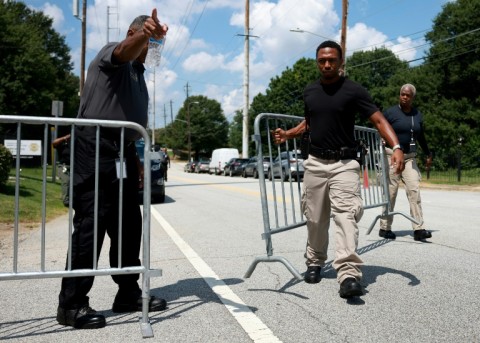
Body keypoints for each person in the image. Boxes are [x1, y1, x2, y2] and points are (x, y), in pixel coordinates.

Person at [56, 10, 169, 330]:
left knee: (128, 223)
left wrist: (134, 155)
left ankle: (127, 292)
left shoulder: (138, 70)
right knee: (92, 222)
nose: (151, 49)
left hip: (122, 151)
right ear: (135, 33)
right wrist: (144, 36)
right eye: (148, 41)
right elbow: (124, 50)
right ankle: (71, 303)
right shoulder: (112, 52)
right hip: (94, 147)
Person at [273, 40, 405, 299]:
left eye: (332, 59)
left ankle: (348, 273)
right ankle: (314, 260)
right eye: (322, 60)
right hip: (315, 163)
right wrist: (289, 134)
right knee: (315, 217)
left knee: (346, 215)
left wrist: (397, 146)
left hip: (345, 164)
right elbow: (310, 122)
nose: (327, 64)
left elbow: (378, 119)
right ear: (317, 62)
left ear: (341, 61)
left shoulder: (353, 90)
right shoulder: (310, 91)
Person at [378, 84, 433, 241]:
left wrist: (428, 152)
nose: (404, 97)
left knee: (414, 190)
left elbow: (421, 136)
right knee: (391, 192)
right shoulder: (390, 112)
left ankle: (418, 229)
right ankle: (385, 227)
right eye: (402, 94)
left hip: (409, 158)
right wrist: (381, 138)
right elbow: (380, 127)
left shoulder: (417, 115)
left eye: (408, 95)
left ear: (412, 97)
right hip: (392, 156)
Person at [52, 133, 71, 207]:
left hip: (75, 166)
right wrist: (64, 137)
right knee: (66, 181)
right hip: (64, 166)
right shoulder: (62, 144)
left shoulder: (77, 144)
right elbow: (54, 142)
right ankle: (66, 200)